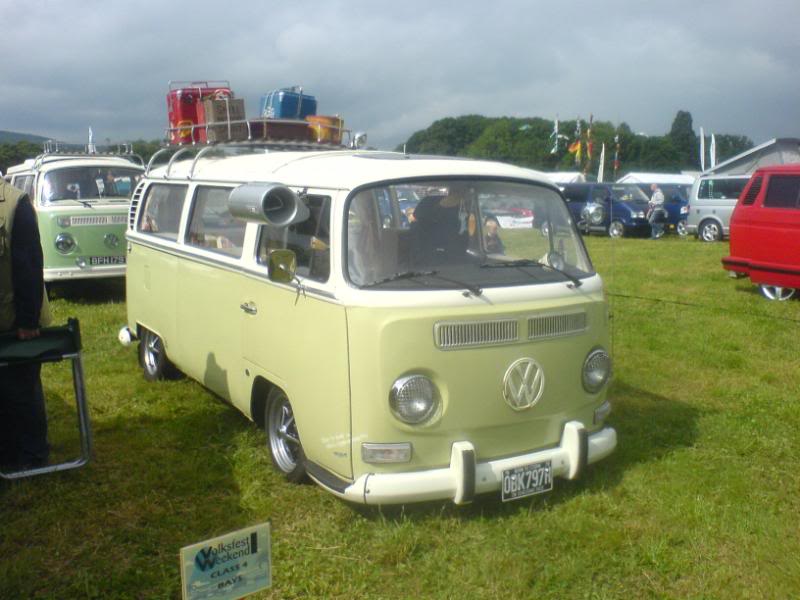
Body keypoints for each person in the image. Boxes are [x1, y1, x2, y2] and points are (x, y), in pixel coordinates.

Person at [0, 179, 52, 471]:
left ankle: (32, 458)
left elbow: (30, 263)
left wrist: (28, 321)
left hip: (17, 324)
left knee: (21, 392)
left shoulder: (15, 204)